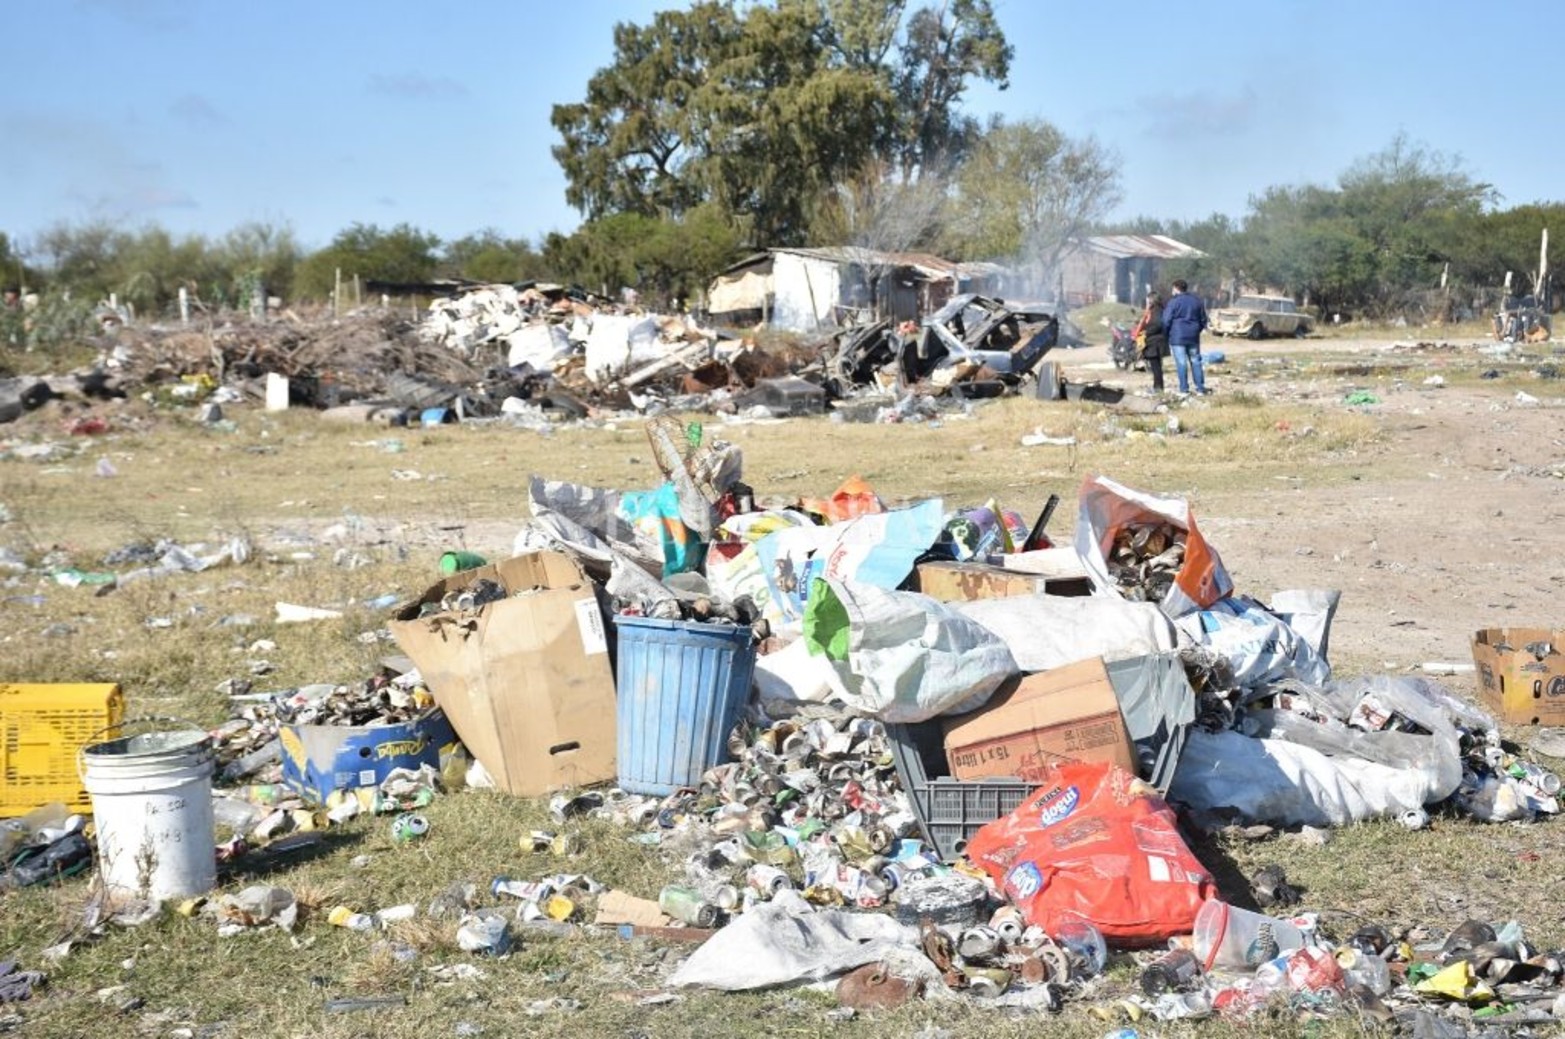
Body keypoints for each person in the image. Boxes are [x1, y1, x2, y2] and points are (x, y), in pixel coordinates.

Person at [1163, 279, 1209, 395]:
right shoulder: (1196, 301)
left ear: (1176, 288)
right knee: (1196, 361)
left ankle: (1184, 389)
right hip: (1193, 336)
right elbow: (1203, 320)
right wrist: (1196, 330)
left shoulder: (1173, 302)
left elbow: (1166, 320)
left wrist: (1166, 333)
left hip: (1177, 337)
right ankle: (1200, 388)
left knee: (1181, 362)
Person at [1132, 289, 1169, 393]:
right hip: (1154, 342)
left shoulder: (1156, 311)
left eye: (1148, 299)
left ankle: (1158, 388)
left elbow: (1157, 325)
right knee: (1155, 367)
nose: (1147, 301)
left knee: (1156, 367)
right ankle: (1157, 386)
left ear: (1152, 300)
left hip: (1155, 342)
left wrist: (1146, 332)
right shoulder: (1155, 310)